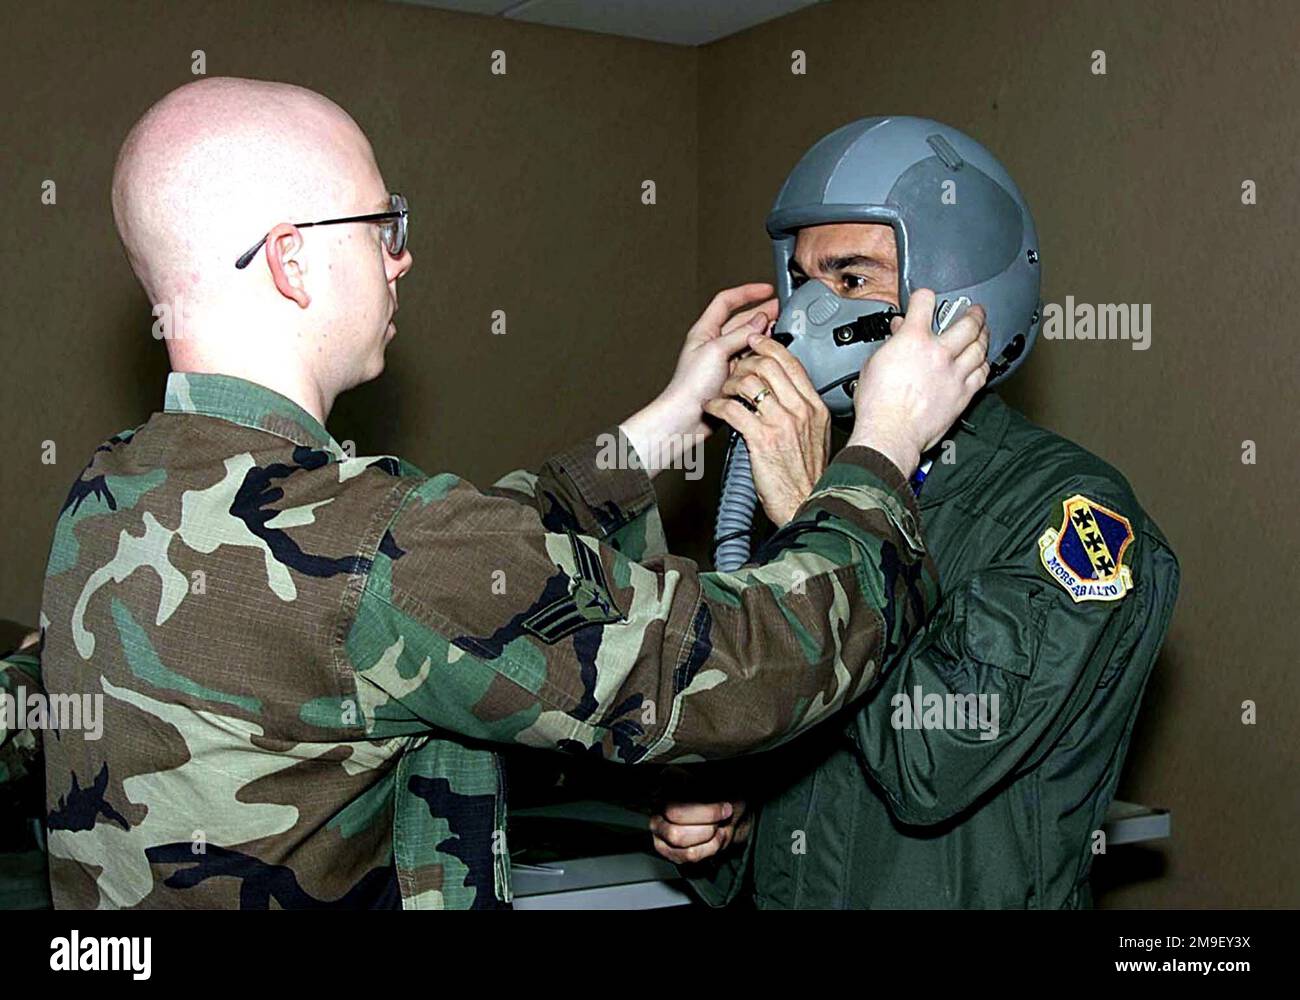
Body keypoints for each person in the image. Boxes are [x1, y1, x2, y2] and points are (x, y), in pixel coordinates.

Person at [0, 85, 990, 909]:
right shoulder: (380, 546)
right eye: (382, 224)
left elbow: (471, 568)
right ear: (294, 261)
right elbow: (745, 663)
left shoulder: (116, 484)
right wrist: (883, 448)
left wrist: (658, 429)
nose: (402, 255)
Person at [650, 117, 1180, 909]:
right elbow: (813, 772)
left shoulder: (1074, 517)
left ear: (962, 298)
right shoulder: (823, 493)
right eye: (802, 281)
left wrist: (816, 523)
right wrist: (730, 825)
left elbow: (931, 760)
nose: (807, 317)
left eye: (853, 279)